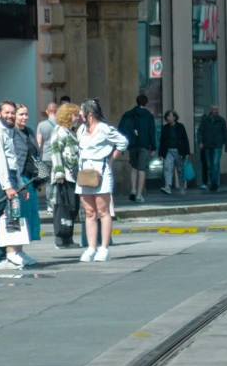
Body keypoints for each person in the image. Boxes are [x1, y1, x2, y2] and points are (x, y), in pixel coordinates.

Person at [76, 98, 129, 261]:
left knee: (103, 210)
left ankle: (104, 248)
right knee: (89, 211)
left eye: (81, 111)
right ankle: (91, 248)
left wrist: (112, 158)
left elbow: (123, 141)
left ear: (89, 113)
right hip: (84, 172)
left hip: (101, 170)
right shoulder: (81, 129)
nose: (79, 114)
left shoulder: (104, 129)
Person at [0, 99, 29, 275]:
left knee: (9, 217)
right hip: (1, 177)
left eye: (12, 112)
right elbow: (0, 162)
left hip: (10, 175)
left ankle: (5, 256)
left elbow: (13, 162)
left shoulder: (8, 131)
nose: (10, 115)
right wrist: (8, 187)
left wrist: (20, 185)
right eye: (7, 112)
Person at [48, 102, 80, 248]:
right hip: (65, 176)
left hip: (72, 175)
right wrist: (59, 174)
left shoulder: (69, 131)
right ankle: (62, 238)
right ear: (67, 116)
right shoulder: (59, 131)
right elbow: (56, 153)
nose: (78, 117)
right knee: (65, 207)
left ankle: (68, 238)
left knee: (72, 207)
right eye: (75, 115)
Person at [119, 92, 156, 203]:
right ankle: (139, 194)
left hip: (133, 144)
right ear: (146, 103)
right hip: (144, 144)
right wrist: (153, 147)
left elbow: (122, 127)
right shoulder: (149, 116)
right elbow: (151, 132)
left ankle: (133, 189)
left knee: (134, 167)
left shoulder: (129, 114)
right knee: (142, 169)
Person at [13, 103, 43, 243]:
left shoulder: (29, 131)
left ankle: (26, 241)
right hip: (19, 177)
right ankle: (18, 245)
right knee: (20, 212)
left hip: (31, 177)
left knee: (31, 211)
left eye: (26, 114)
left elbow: (35, 153)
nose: (25, 117)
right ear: (14, 115)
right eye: (21, 114)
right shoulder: (11, 132)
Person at [197, 105, 227, 192]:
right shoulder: (205, 120)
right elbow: (200, 131)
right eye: (214, 109)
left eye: (217, 109)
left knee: (215, 163)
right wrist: (200, 142)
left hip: (217, 145)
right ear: (210, 110)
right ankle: (212, 182)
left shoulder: (221, 120)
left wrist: (226, 145)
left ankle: (215, 182)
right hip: (207, 145)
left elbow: (225, 133)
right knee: (210, 165)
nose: (216, 111)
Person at [160, 108, 191, 191]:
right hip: (168, 151)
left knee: (180, 170)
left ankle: (182, 186)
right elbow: (162, 141)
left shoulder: (180, 127)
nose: (168, 118)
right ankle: (168, 186)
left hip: (179, 151)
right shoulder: (165, 128)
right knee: (167, 168)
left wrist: (187, 152)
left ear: (174, 117)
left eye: (170, 116)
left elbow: (185, 139)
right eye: (167, 116)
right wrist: (161, 154)